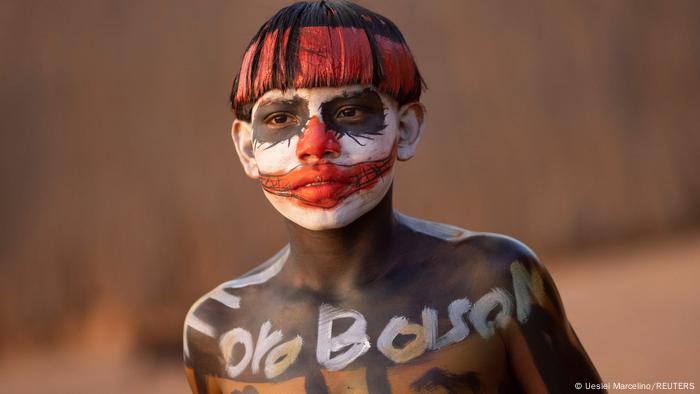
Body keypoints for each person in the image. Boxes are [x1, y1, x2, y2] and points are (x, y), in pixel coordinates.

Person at [183, 1, 603, 393]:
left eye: (350, 112)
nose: (316, 143)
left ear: (406, 129)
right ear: (246, 148)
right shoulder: (216, 329)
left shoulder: (494, 282)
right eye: (280, 118)